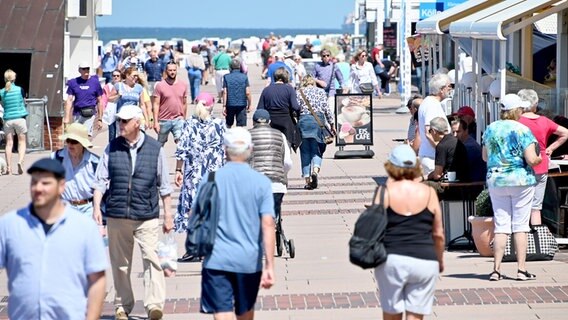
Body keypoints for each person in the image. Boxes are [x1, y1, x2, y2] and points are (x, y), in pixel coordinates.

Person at [92, 104, 174, 320]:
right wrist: (96, 208)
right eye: (119, 120)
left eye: (125, 121)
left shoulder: (155, 148)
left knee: (152, 260)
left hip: (146, 214)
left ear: (137, 123)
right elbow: (100, 180)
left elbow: (164, 185)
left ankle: (154, 305)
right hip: (118, 214)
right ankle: (122, 305)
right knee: (120, 263)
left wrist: (168, 215)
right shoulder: (112, 147)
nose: (120, 124)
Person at [0, 158, 107, 320]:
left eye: (45, 183)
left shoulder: (84, 227)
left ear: (61, 186)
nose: (38, 188)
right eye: (34, 182)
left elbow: (97, 279)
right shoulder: (10, 225)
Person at [197, 127, 275, 319]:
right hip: (248, 260)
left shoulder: (210, 179)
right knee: (245, 311)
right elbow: (267, 224)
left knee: (221, 311)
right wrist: (270, 266)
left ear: (225, 150)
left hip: (216, 258)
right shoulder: (261, 182)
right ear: (251, 149)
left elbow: (197, 215)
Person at [375, 144, 444, 320]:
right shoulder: (429, 193)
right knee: (415, 316)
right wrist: (440, 260)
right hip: (424, 259)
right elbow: (438, 233)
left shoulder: (384, 192)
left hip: (392, 259)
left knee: (391, 313)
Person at [482, 93, 542, 282]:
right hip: (520, 181)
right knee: (520, 226)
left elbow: (485, 157)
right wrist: (541, 158)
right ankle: (521, 270)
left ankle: (496, 270)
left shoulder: (490, 129)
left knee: (501, 226)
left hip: (497, 180)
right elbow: (532, 159)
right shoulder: (523, 130)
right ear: (518, 110)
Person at [174, 93, 226, 262]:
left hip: (193, 175)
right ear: (211, 107)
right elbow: (227, 150)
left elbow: (182, 149)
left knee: (192, 210)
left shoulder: (189, 124)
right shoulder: (219, 124)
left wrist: (178, 171)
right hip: (214, 175)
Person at [517, 89, 568, 225]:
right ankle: (537, 242)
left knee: (520, 207)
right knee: (536, 208)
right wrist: (550, 149)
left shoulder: (516, 121)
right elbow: (565, 133)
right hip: (541, 165)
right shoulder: (544, 121)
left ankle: (520, 241)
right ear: (536, 104)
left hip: (520, 167)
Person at [249, 109, 293, 241]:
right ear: (269, 121)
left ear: (253, 122)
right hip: (276, 185)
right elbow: (287, 163)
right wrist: (281, 173)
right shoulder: (280, 136)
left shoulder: (246, 136)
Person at [51, 123, 100, 217]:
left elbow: (101, 188)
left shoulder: (95, 162)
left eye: (74, 141)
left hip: (88, 209)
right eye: (68, 140)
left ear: (82, 143)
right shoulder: (56, 158)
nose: (70, 144)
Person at [296, 75, 336, 189]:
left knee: (304, 151)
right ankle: (315, 170)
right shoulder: (321, 92)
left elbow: (295, 109)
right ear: (312, 82)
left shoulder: (299, 92)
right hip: (318, 122)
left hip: (303, 121)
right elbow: (327, 110)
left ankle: (308, 180)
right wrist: (332, 125)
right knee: (317, 149)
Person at [257, 68, 302, 152]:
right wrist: (299, 115)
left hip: (271, 122)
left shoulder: (266, 90)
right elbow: (295, 107)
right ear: (286, 77)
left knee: (272, 148)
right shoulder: (289, 89)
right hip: (286, 122)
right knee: (286, 149)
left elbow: (260, 109)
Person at [417, 73, 452, 175]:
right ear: (441, 89)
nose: (450, 89)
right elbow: (429, 132)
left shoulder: (430, 103)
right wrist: (442, 151)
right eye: (448, 86)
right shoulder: (431, 105)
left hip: (431, 155)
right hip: (432, 157)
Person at [153, 60, 188, 146]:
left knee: (181, 144)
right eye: (170, 70)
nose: (172, 72)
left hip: (178, 119)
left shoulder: (183, 85)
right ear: (166, 71)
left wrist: (184, 119)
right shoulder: (160, 86)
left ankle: (180, 159)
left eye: (174, 70)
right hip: (164, 120)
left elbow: (184, 103)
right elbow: (156, 104)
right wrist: (155, 122)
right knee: (159, 145)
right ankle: (158, 159)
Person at [64, 61, 104, 136]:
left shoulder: (95, 82)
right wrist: (67, 118)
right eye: (84, 69)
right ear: (79, 70)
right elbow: (69, 100)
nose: (86, 71)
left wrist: (100, 119)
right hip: (77, 113)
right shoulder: (74, 82)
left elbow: (100, 101)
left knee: (85, 135)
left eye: (87, 69)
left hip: (89, 113)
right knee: (76, 136)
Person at [0, 69, 28, 175]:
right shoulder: (20, 89)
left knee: (9, 143)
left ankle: (8, 168)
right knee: (21, 142)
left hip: (7, 119)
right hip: (20, 118)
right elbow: (23, 101)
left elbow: (2, 104)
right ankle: (20, 161)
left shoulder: (1, 91)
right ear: (14, 78)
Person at [223, 59, 251, 128]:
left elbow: (224, 92)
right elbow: (247, 92)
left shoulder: (226, 77)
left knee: (228, 124)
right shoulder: (244, 77)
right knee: (240, 126)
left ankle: (228, 137)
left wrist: (224, 106)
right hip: (241, 104)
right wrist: (249, 104)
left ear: (230, 67)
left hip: (230, 104)